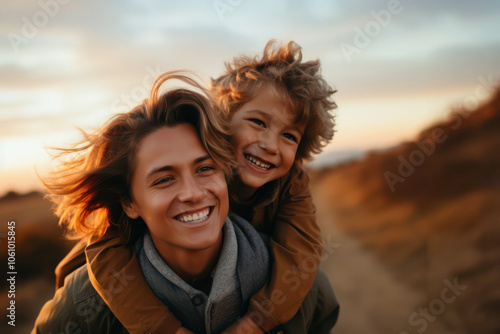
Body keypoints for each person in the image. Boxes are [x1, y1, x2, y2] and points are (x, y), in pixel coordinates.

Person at [53, 40, 339, 333]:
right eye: (257, 122)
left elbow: (301, 251)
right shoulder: (203, 157)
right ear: (222, 122)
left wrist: (256, 322)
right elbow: (106, 247)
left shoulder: (291, 183)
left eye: (289, 136)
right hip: (122, 244)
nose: (269, 145)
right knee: (80, 270)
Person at [32, 72, 271, 333]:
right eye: (164, 179)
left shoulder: (291, 280)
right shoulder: (84, 302)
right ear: (129, 203)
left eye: (204, 169)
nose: (192, 193)